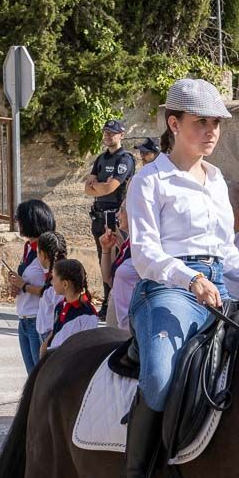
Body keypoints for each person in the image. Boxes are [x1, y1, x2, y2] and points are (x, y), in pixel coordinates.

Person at [121, 78, 239, 478]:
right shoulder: (149, 180)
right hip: (167, 293)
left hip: (219, 290)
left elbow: (227, 254)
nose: (211, 131)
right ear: (174, 123)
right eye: (201, 122)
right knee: (158, 377)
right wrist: (188, 278)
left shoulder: (217, 183)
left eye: (216, 123)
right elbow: (145, 255)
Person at [84, 119, 135, 318]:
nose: (107, 136)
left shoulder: (125, 159)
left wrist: (98, 185)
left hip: (116, 217)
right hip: (98, 216)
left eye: (111, 133)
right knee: (103, 258)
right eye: (105, 132)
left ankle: (114, 302)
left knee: (118, 261)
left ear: (121, 135)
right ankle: (107, 302)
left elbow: (110, 187)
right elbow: (87, 188)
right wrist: (98, 185)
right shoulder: (101, 159)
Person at [9, 199, 56, 374]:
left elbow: (53, 290)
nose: (16, 222)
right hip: (24, 318)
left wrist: (25, 286)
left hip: (39, 319)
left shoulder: (47, 247)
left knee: (40, 377)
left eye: (18, 218)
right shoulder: (29, 246)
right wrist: (17, 284)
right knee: (32, 378)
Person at [41, 259, 98, 355]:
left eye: (54, 278)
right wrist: (44, 347)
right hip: (55, 362)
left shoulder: (88, 314)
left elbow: (88, 348)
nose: (51, 282)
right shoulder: (59, 306)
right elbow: (55, 332)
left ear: (65, 284)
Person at [100, 201, 138, 331]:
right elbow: (108, 278)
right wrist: (106, 249)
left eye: (121, 210)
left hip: (131, 320)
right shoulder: (127, 244)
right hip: (117, 311)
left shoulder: (143, 246)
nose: (117, 215)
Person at [35, 231, 68, 348]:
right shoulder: (53, 274)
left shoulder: (58, 282)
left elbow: (60, 315)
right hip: (45, 333)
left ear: (43, 255)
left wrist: (48, 341)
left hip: (50, 336)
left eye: (37, 252)